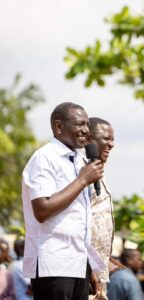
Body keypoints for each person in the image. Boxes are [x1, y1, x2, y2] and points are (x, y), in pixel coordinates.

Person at [22, 102, 105, 300]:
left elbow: (76, 222)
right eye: (79, 124)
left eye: (87, 124)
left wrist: (88, 265)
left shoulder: (79, 160)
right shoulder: (44, 158)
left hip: (77, 265)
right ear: (59, 127)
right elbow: (42, 210)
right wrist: (83, 180)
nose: (86, 130)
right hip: (53, 264)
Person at [87, 117, 114, 300]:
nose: (111, 145)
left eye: (113, 140)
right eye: (106, 139)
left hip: (100, 272)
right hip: (87, 272)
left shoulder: (99, 173)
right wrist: (89, 266)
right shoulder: (82, 173)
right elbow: (76, 223)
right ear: (88, 140)